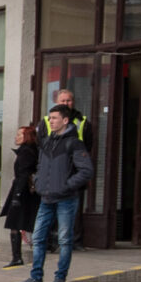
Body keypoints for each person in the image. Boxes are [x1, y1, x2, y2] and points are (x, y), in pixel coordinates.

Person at [14, 104, 94, 282]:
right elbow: (41, 166)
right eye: (50, 118)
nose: (51, 121)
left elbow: (86, 170)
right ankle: (36, 277)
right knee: (38, 238)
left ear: (65, 120)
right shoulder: (47, 142)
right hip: (46, 198)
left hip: (66, 199)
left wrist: (67, 185)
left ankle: (60, 278)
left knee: (64, 240)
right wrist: (39, 182)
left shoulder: (74, 143)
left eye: (55, 118)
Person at [41, 89, 94, 250]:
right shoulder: (46, 121)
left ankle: (74, 242)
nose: (66, 103)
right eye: (62, 101)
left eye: (68, 100)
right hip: (53, 172)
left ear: (73, 102)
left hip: (74, 171)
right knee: (50, 209)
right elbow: (40, 146)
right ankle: (51, 241)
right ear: (57, 102)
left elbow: (88, 145)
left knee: (74, 211)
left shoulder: (81, 121)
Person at [0, 125, 40, 269]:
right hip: (24, 191)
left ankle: (17, 257)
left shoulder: (26, 152)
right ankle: (17, 256)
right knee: (20, 223)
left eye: (19, 135)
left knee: (15, 223)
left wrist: (17, 195)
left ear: (26, 137)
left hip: (23, 192)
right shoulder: (29, 151)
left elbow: (23, 175)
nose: (16, 137)